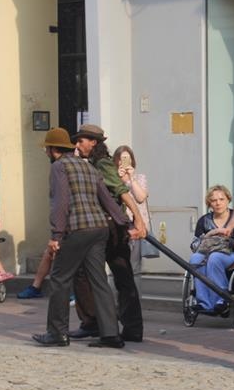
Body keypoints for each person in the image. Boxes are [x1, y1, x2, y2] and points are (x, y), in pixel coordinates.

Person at [32, 128, 135, 348]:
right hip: (99, 228)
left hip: (77, 229)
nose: (46, 153)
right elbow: (106, 198)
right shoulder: (88, 166)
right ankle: (110, 334)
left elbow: (60, 202)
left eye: (46, 149)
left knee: (59, 278)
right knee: (99, 280)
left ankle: (57, 332)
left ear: (52, 149)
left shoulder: (59, 167)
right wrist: (126, 223)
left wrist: (56, 234)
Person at [69, 124, 147, 343]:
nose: (77, 145)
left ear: (93, 142)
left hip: (110, 227)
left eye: (81, 141)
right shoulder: (96, 163)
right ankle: (131, 328)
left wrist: (138, 219)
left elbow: (121, 192)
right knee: (122, 276)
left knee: (85, 273)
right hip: (113, 226)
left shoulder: (102, 164)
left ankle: (93, 322)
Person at [189, 184, 234, 314]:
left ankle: (222, 300)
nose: (218, 203)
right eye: (213, 200)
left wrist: (232, 242)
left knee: (215, 257)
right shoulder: (204, 220)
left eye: (221, 199)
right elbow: (194, 246)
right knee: (195, 258)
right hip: (207, 253)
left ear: (228, 200)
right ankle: (204, 303)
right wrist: (210, 234)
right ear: (209, 203)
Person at [114, 145, 150, 295]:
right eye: (121, 158)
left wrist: (131, 179)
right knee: (119, 266)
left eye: (127, 158)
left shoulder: (140, 178)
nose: (124, 162)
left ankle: (135, 300)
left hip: (136, 227)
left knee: (135, 267)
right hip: (118, 227)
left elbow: (141, 197)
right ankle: (121, 299)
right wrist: (118, 179)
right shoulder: (112, 178)